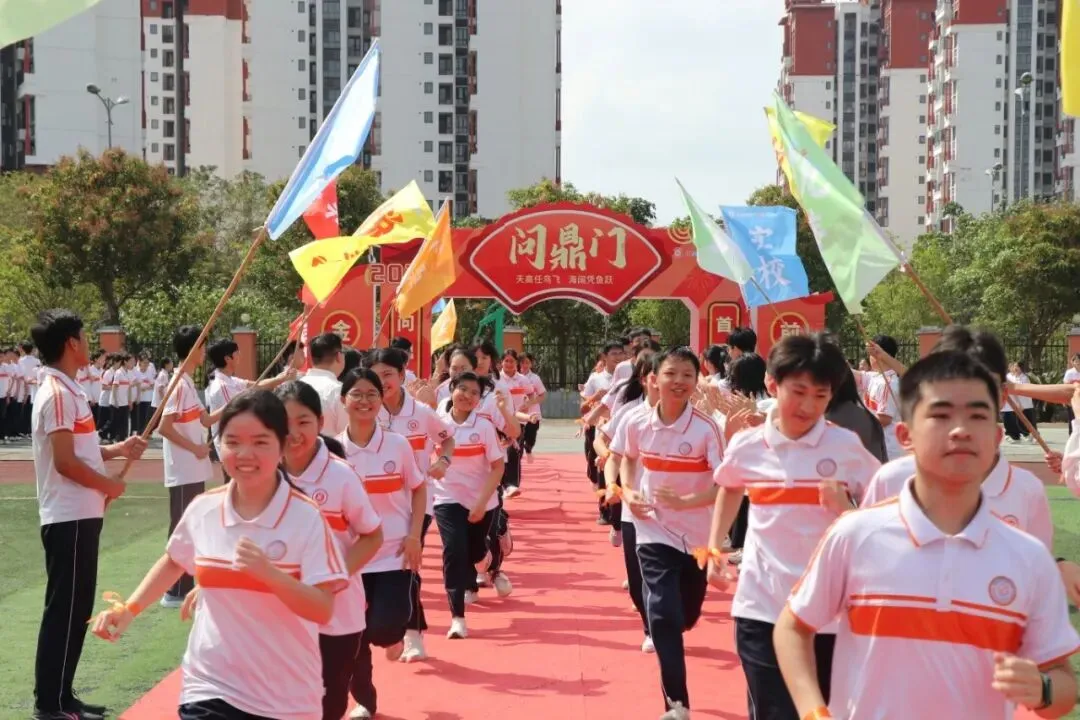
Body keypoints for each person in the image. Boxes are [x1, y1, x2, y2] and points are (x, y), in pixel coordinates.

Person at [774, 351, 1080, 719]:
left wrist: (1043, 689)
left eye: (978, 416)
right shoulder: (855, 535)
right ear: (905, 434)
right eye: (941, 414)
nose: (961, 430)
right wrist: (812, 711)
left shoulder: (1028, 558)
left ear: (997, 436)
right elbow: (793, 628)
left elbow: (1063, 681)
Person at [91, 390, 349, 720]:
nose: (245, 453)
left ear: (283, 446)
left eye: (260, 442)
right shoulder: (204, 508)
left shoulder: (305, 517)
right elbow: (174, 561)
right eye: (232, 441)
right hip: (210, 684)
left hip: (286, 697)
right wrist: (129, 610)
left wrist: (270, 575)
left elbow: (323, 608)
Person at [707, 333, 881, 720]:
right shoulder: (748, 444)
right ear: (772, 383)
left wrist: (846, 510)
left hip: (830, 614)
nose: (808, 405)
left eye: (820, 396)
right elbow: (730, 486)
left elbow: (885, 512)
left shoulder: (845, 447)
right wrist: (715, 546)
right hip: (762, 606)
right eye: (798, 391)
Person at [30, 309, 146, 720]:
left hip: (80, 515)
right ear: (71, 344)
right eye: (83, 336)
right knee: (64, 610)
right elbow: (64, 462)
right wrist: (108, 485)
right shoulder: (59, 394)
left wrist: (118, 451)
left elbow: (81, 451)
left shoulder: (69, 390)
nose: (88, 343)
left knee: (75, 609)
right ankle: (51, 703)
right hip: (69, 517)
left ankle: (63, 696)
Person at [609, 347, 723, 719]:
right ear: (653, 379)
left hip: (698, 537)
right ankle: (677, 704)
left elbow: (725, 485)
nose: (679, 382)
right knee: (661, 613)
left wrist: (690, 500)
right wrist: (629, 490)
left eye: (687, 375)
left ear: (696, 381)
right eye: (671, 374)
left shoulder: (707, 428)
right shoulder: (635, 422)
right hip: (652, 530)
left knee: (685, 614)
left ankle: (681, 621)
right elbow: (627, 459)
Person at [276, 381, 384, 720]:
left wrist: (332, 576)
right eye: (284, 423)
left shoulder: (341, 477)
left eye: (303, 422)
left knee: (328, 704)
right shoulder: (263, 474)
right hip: (281, 614)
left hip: (336, 615)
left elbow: (372, 536)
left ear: (321, 423)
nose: (293, 433)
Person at [337, 368, 425, 720]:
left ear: (382, 399)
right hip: (351, 558)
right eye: (356, 394)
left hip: (392, 554)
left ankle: (393, 636)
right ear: (343, 399)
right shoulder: (332, 450)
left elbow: (418, 489)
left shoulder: (397, 444)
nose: (364, 401)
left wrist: (415, 535)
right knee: (354, 637)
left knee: (385, 627)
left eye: (372, 394)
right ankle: (365, 701)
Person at [370, 347, 455, 662]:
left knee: (409, 564)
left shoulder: (420, 413)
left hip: (417, 503)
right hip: (373, 504)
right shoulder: (368, 412)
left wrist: (443, 460)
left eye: (388, 375)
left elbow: (448, 438)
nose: (382, 382)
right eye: (376, 376)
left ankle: (412, 634)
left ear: (402, 375)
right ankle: (389, 628)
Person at [158, 326, 227, 609]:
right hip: (184, 467)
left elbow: (206, 421)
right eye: (201, 347)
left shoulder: (186, 382)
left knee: (191, 523)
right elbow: (164, 427)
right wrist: (196, 448)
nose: (204, 353)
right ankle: (174, 589)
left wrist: (236, 403)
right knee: (182, 525)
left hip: (193, 468)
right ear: (192, 349)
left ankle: (183, 584)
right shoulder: (177, 384)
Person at [594, 352, 659, 652]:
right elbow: (609, 446)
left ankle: (664, 622)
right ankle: (652, 628)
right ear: (645, 380)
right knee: (637, 580)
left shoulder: (698, 418)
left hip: (678, 515)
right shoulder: (630, 413)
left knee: (671, 581)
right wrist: (611, 484)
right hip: (634, 509)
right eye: (657, 376)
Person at [433, 371, 505, 639]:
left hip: (482, 500)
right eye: (462, 389)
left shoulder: (483, 427)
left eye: (475, 393)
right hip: (446, 497)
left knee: (474, 554)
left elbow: (498, 467)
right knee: (453, 550)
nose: (467, 396)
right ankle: (457, 617)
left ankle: (484, 555)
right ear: (451, 389)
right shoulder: (437, 423)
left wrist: (481, 503)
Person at [301, 333, 349, 438]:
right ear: (339, 356)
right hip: (330, 451)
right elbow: (347, 433)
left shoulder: (295, 386)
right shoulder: (338, 390)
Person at [518, 352, 546, 461]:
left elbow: (542, 395)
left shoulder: (535, 378)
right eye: (522, 362)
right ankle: (518, 459)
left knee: (531, 437)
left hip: (533, 414)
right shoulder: (515, 378)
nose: (524, 365)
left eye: (527, 363)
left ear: (531, 364)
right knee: (518, 439)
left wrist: (530, 403)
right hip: (518, 415)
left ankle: (528, 449)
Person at [1004, 361, 1036, 443]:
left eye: (1016, 366)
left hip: (1024, 403)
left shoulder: (1025, 377)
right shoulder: (1008, 377)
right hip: (1010, 404)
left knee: (1026, 420)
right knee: (1011, 421)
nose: (1014, 368)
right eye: (1012, 366)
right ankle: (1014, 436)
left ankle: (1031, 435)